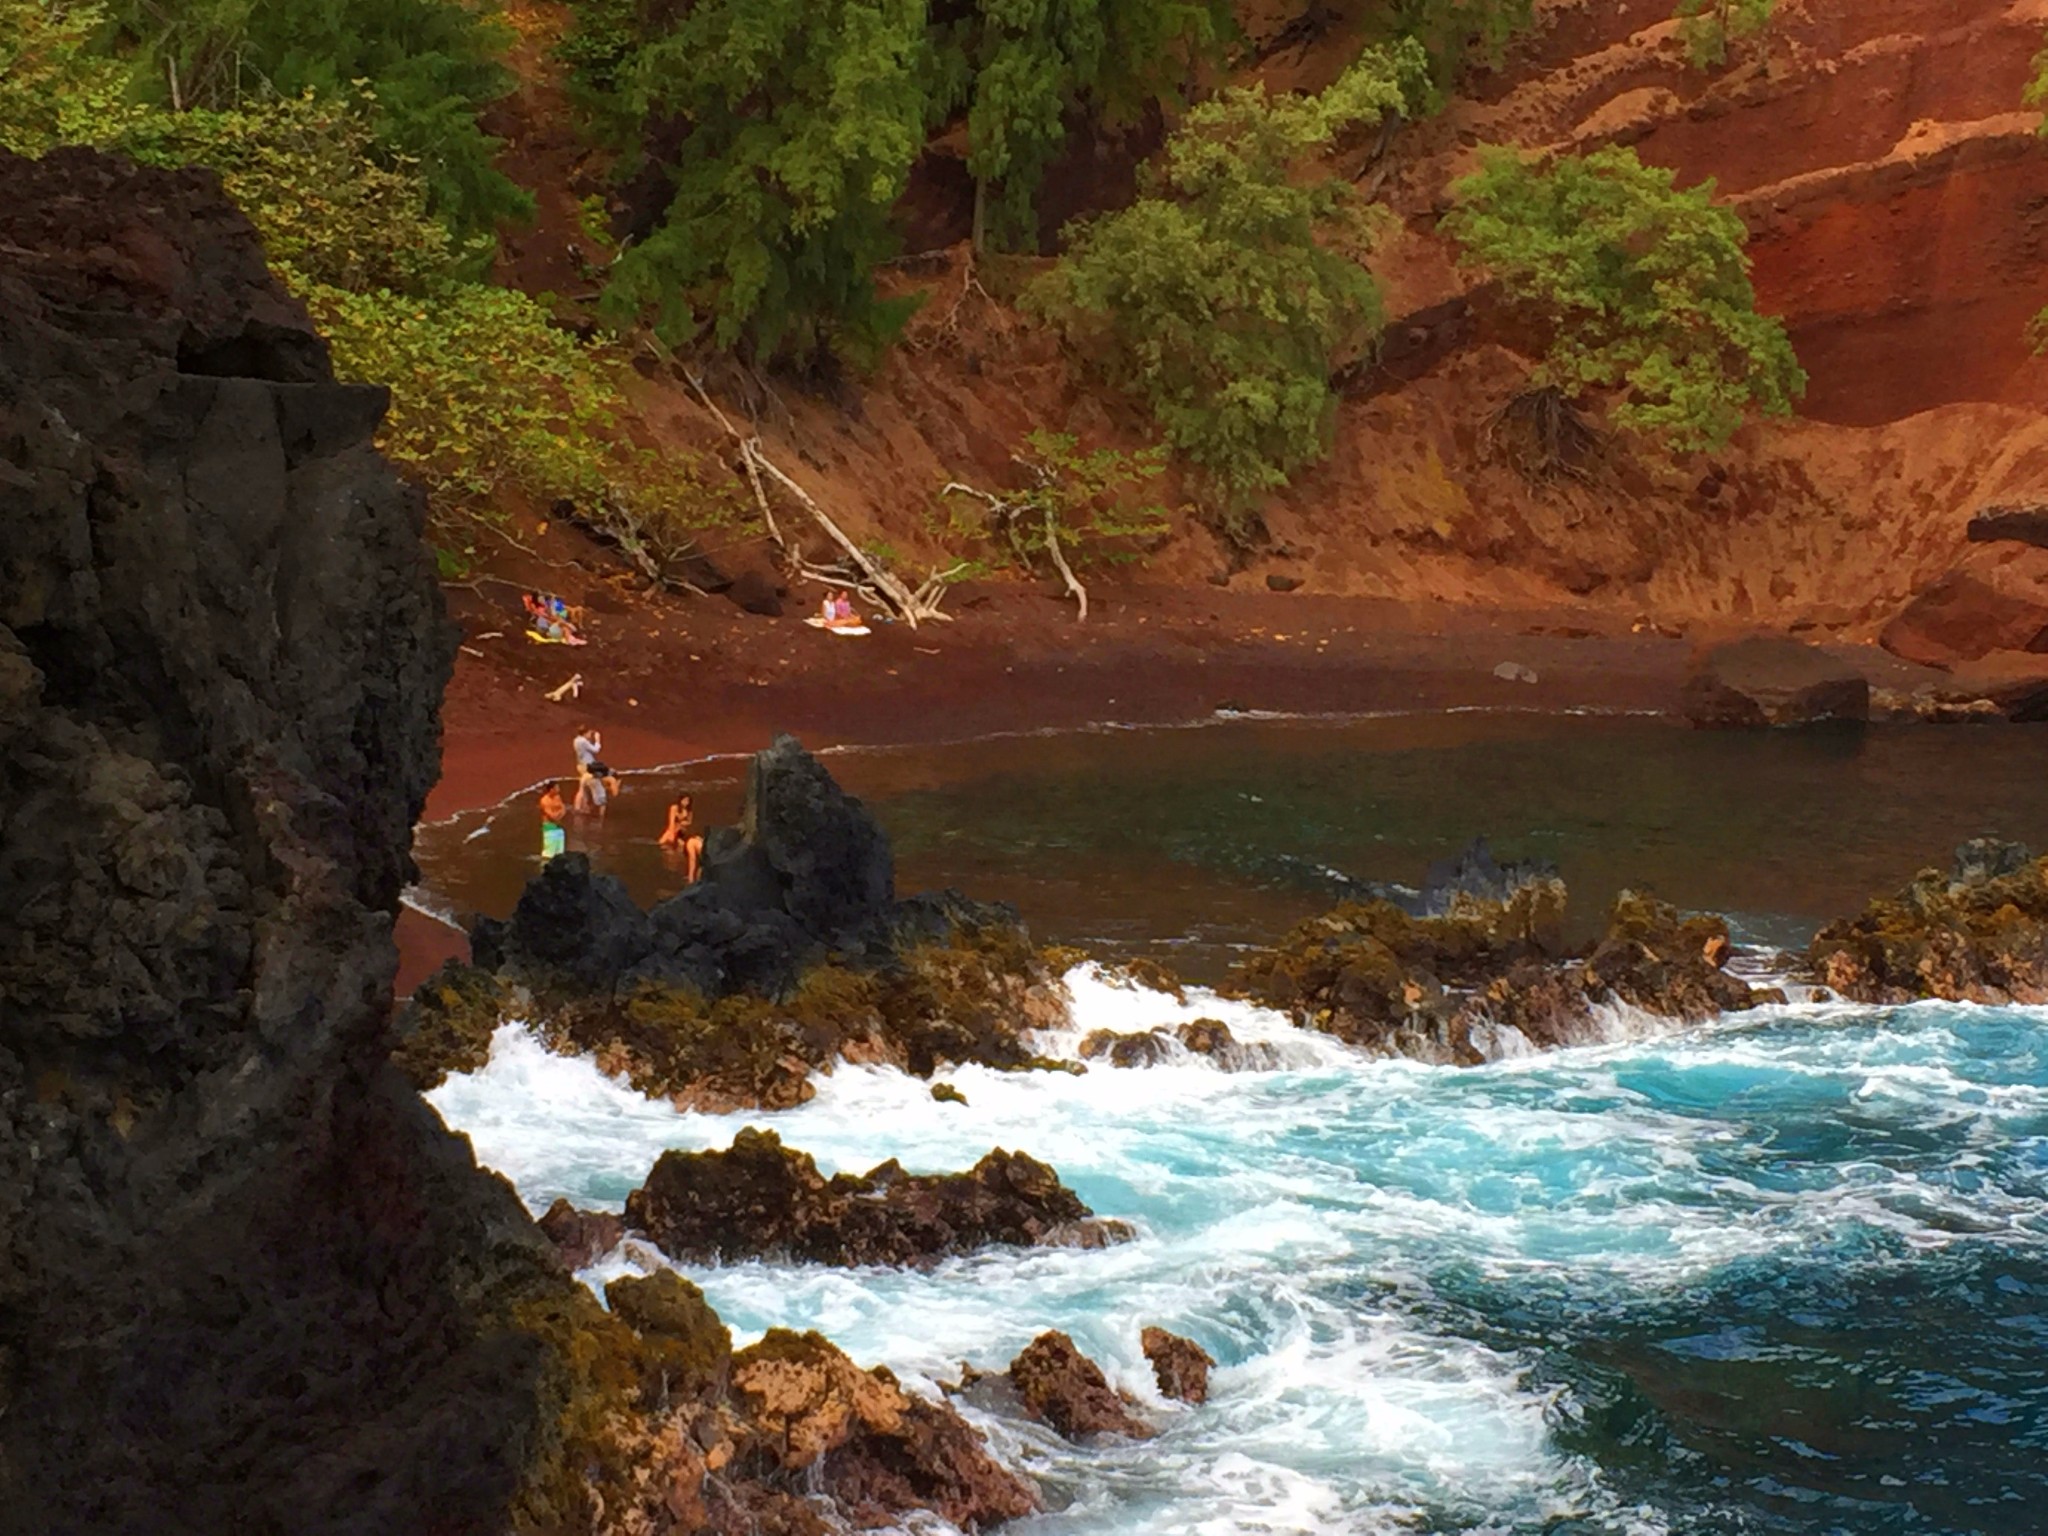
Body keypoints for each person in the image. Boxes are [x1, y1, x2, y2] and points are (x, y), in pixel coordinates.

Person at [658, 793, 705, 883]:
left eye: (688, 801)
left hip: (682, 831)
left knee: (682, 847)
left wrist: (683, 826)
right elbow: (671, 823)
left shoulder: (689, 811)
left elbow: (689, 823)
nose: (686, 803)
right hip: (673, 829)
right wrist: (673, 833)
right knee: (662, 844)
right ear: (680, 800)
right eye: (684, 800)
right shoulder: (674, 808)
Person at [538, 781, 568, 859]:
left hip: (559, 827)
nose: (559, 790)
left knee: (560, 853)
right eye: (557, 788)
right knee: (549, 854)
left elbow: (564, 809)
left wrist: (559, 815)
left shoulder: (557, 797)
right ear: (551, 789)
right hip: (549, 828)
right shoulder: (544, 801)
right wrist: (560, 813)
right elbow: (552, 816)